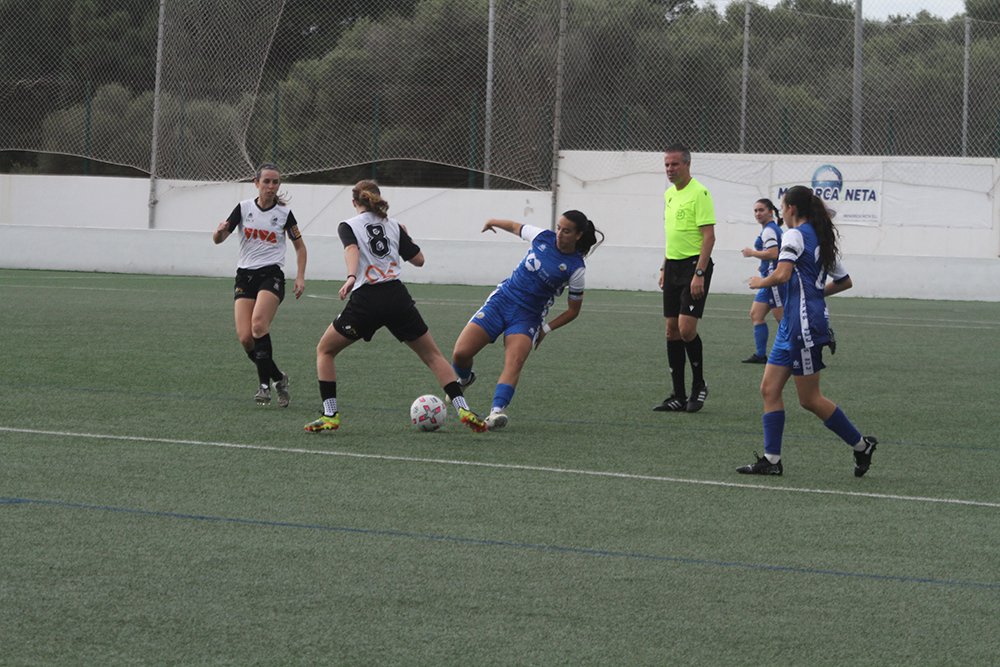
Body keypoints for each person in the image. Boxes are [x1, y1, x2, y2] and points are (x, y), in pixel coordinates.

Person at [304, 180, 486, 433]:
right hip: (397, 297)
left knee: (325, 350)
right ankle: (463, 407)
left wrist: (351, 277)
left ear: (354, 202)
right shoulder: (394, 226)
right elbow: (419, 261)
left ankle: (330, 414)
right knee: (433, 356)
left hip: (367, 300)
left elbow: (351, 249)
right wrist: (405, 235)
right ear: (378, 199)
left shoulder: (348, 225)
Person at [737, 185, 877, 477]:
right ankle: (772, 460)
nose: (781, 212)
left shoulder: (795, 234)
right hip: (792, 324)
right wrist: (813, 295)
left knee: (809, 399)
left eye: (782, 206)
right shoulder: (818, 237)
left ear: (791, 209)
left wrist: (759, 282)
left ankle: (862, 445)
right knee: (769, 389)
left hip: (804, 326)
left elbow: (783, 273)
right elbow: (845, 281)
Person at [450, 211, 604, 430]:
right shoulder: (542, 236)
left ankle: (496, 413)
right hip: (501, 302)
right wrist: (493, 221)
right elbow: (515, 227)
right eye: (558, 227)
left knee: (515, 361)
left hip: (528, 316)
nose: (559, 234)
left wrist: (545, 329)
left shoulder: (576, 268)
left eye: (566, 231)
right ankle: (465, 380)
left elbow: (573, 310)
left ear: (578, 235)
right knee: (460, 353)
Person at [213, 163, 306, 407]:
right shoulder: (243, 209)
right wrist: (219, 232)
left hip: (271, 276)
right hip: (245, 277)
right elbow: (218, 239)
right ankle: (279, 378)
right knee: (246, 338)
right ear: (257, 183)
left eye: (275, 182)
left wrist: (300, 277)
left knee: (258, 325)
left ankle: (264, 385)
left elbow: (300, 246)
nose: (271, 186)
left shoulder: (285, 215)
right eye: (266, 181)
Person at [653, 144, 715, 413]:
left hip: (694, 267)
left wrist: (699, 273)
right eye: (667, 165)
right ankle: (677, 395)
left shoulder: (699, 193)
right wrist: (665, 267)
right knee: (671, 330)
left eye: (675, 164)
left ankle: (698, 385)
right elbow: (673, 235)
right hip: (674, 267)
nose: (670, 169)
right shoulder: (668, 194)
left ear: (687, 164)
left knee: (687, 329)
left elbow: (709, 237)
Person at [740, 198, 784, 364]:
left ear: (770, 212)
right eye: (756, 210)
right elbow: (774, 255)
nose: (757, 213)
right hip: (768, 279)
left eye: (761, 210)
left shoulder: (769, 230)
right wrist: (763, 265)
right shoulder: (770, 229)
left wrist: (752, 253)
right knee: (756, 314)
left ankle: (817, 339)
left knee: (784, 321)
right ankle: (760, 355)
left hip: (773, 281)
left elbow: (773, 253)